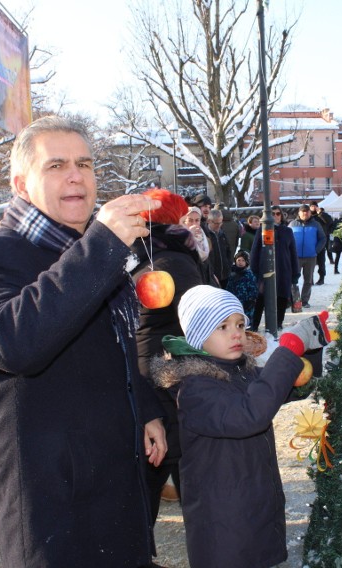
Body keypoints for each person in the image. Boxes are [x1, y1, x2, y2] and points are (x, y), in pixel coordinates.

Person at [0, 115, 167, 567]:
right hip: (53, 495)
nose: (76, 175)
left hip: (115, 475)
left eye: (85, 163)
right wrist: (100, 246)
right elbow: (14, 342)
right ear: (21, 184)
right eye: (56, 166)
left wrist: (145, 408)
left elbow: (116, 341)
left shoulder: (91, 250)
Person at [150, 285, 331, 568]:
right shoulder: (195, 389)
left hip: (253, 505)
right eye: (222, 326)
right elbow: (250, 414)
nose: (236, 333)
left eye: (239, 324)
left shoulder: (239, 371)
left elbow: (283, 388)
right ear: (197, 337)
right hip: (223, 520)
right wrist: (287, 352)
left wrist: (310, 349)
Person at [131, 188, 205, 529]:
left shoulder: (142, 256)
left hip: (149, 367)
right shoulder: (173, 257)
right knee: (173, 462)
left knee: (152, 465)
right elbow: (198, 320)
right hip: (167, 370)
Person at [249, 206, 300, 331]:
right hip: (265, 269)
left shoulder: (287, 231)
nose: (276, 216)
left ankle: (278, 323)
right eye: (273, 213)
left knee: (282, 297)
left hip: (284, 269)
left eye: (278, 214)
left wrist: (295, 273)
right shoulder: (262, 229)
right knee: (261, 297)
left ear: (281, 216)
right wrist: (254, 269)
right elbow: (255, 251)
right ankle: (255, 324)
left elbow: (293, 253)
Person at [289, 204, 326, 309]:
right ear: (299, 213)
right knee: (293, 279)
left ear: (310, 213)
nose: (305, 213)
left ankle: (304, 301)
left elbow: (323, 238)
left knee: (308, 280)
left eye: (307, 211)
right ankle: (295, 300)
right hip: (295, 257)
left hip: (310, 257)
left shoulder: (316, 224)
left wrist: (316, 250)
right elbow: (287, 239)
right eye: (303, 211)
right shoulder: (292, 224)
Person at [180, 207, 213, 285]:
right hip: (190, 279)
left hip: (205, 278)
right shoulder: (179, 237)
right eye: (190, 220)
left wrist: (212, 276)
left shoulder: (204, 235)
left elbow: (209, 259)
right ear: (184, 222)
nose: (194, 224)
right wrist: (189, 236)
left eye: (197, 220)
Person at [226, 250, 257, 323]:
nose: (240, 262)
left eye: (243, 260)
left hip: (246, 304)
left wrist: (251, 300)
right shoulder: (232, 274)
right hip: (234, 304)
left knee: (246, 321)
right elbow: (228, 288)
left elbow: (253, 289)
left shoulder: (249, 275)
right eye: (238, 260)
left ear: (246, 262)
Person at [206, 209, 233, 288]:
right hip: (212, 275)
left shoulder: (222, 233)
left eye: (220, 222)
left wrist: (228, 265)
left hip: (225, 274)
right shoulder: (206, 235)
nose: (219, 225)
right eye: (216, 223)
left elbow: (228, 250)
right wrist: (210, 272)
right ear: (209, 221)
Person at [309, 202, 332, 285]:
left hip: (321, 241)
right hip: (311, 241)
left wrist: (321, 213)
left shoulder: (321, 215)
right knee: (310, 262)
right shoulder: (308, 216)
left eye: (315, 206)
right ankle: (310, 279)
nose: (313, 208)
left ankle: (321, 278)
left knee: (321, 261)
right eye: (312, 206)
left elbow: (330, 221)